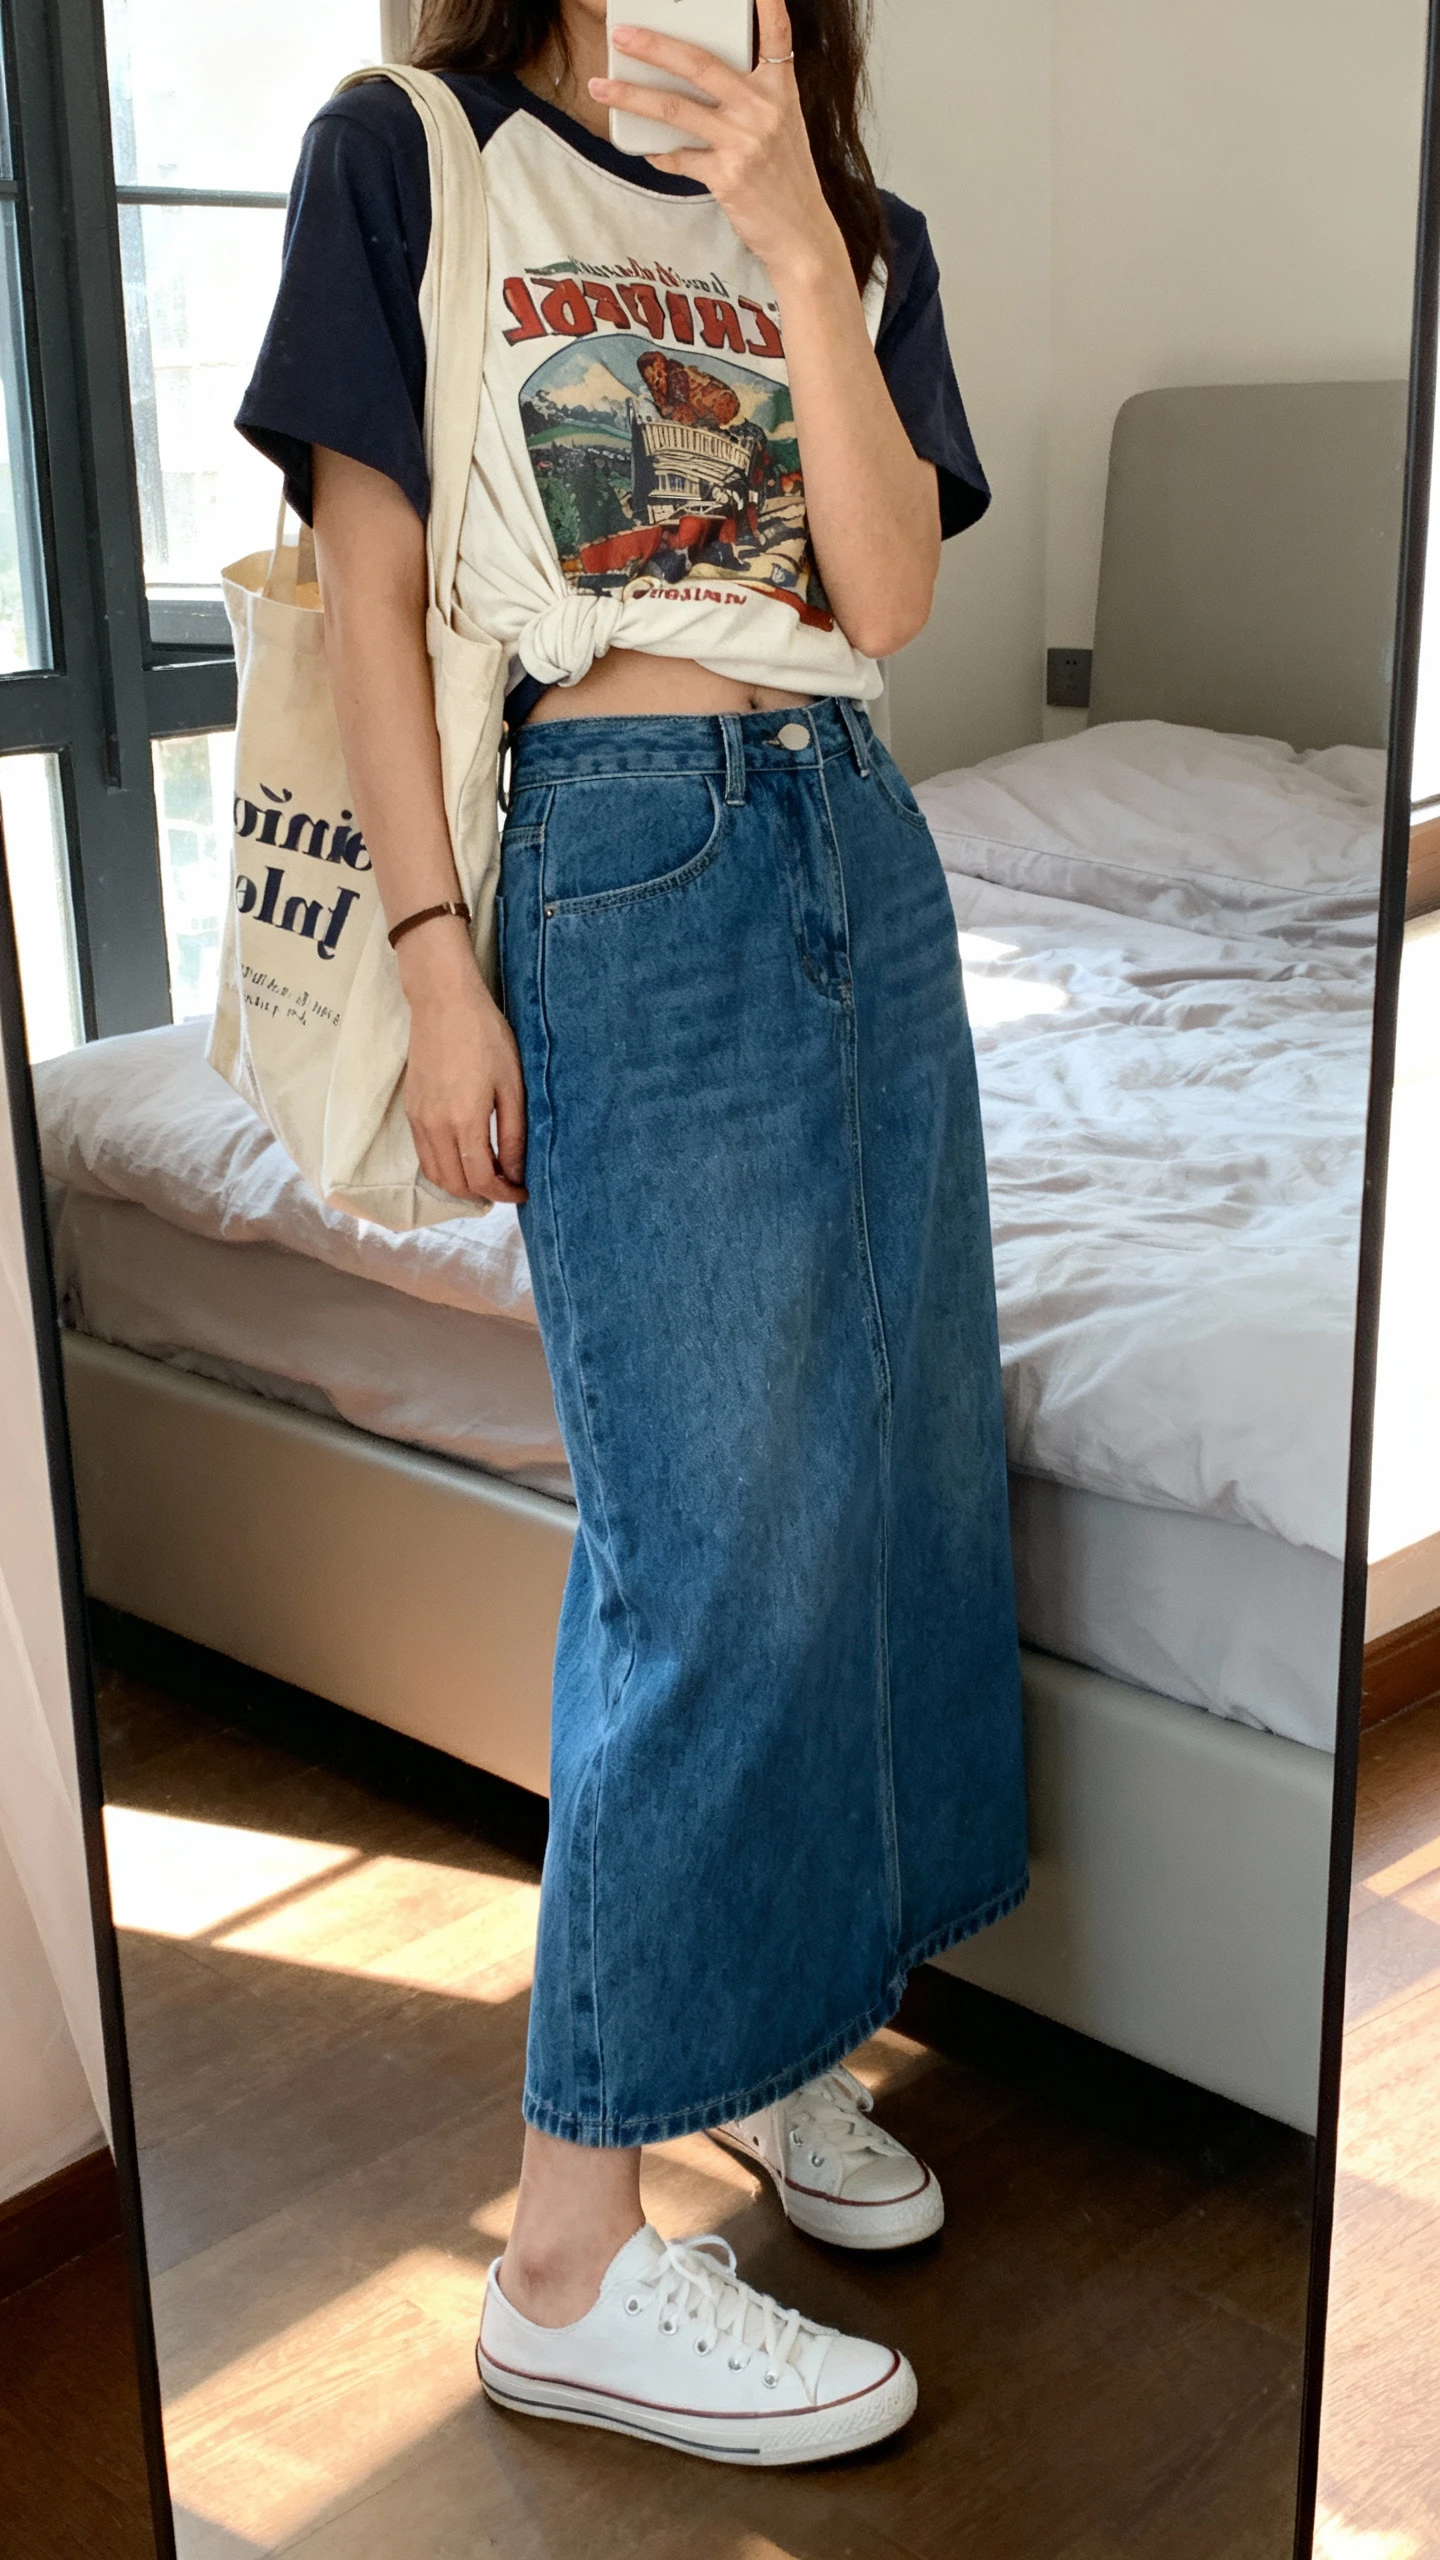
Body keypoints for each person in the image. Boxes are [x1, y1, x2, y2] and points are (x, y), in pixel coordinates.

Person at [238, 0, 1028, 2469]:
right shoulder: (411, 151)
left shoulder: (855, 227)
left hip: (857, 837)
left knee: (883, 1489)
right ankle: (566, 2263)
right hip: (625, 849)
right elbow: (373, 591)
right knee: (709, 1550)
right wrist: (435, 959)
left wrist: (794, 234)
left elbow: (884, 595)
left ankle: (768, 2037)